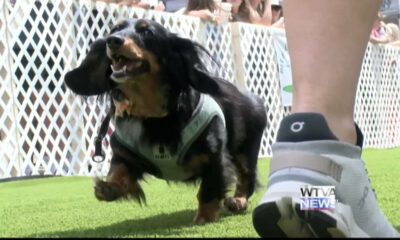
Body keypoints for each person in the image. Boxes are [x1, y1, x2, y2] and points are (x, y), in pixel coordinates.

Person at [252, 0, 399, 238]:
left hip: (290, 154)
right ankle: (333, 165)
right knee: (331, 186)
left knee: (313, 194)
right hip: (333, 169)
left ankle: (307, 174)